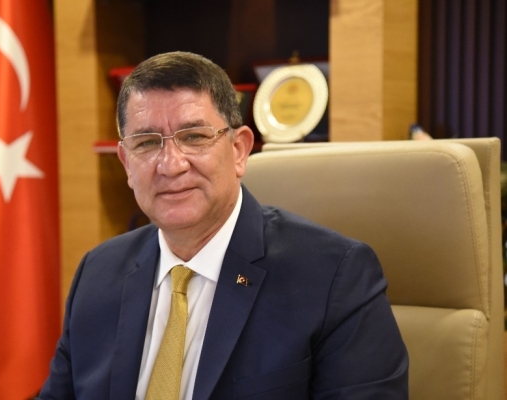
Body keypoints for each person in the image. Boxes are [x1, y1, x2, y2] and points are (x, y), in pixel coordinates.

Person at [38, 51, 408, 399]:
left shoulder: (334, 277)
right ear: (126, 164)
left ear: (239, 150)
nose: (171, 164)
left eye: (194, 137)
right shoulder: (98, 274)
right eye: (147, 143)